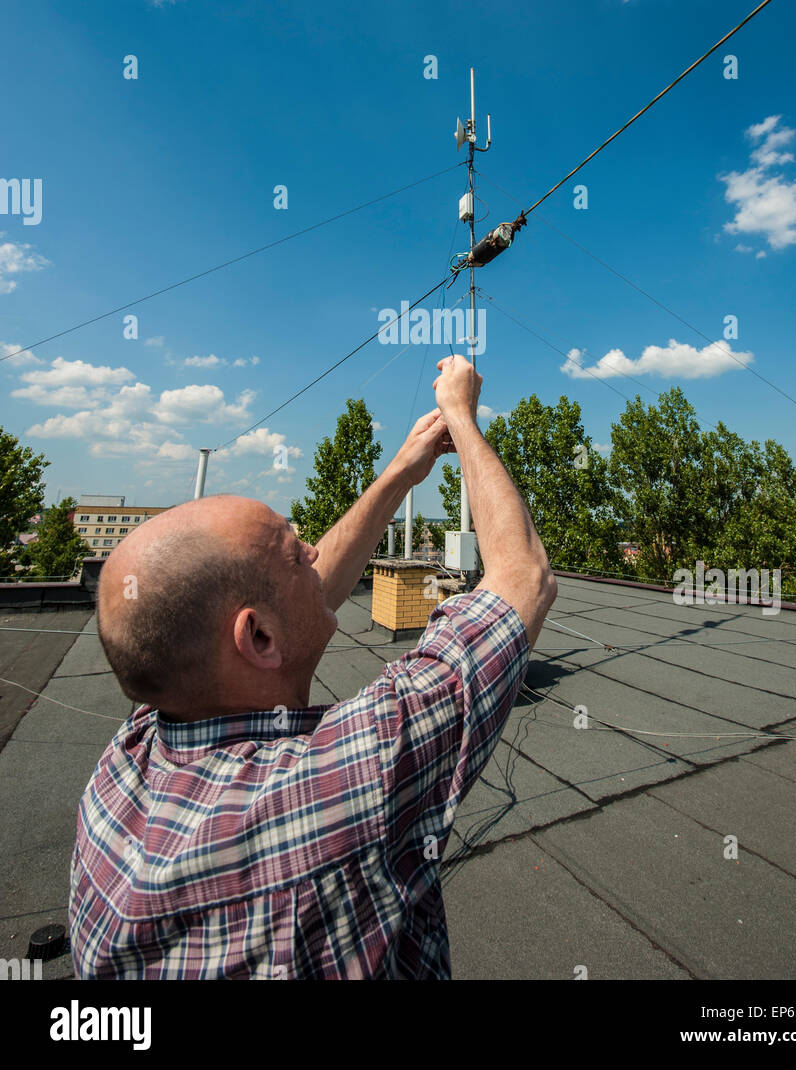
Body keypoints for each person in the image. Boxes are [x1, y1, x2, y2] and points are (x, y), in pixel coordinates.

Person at [69, 354, 557, 979]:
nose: (312, 551)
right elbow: (523, 579)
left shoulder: (130, 757)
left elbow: (298, 601)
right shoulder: (339, 785)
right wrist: (463, 419)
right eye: (293, 551)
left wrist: (401, 474)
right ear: (260, 637)